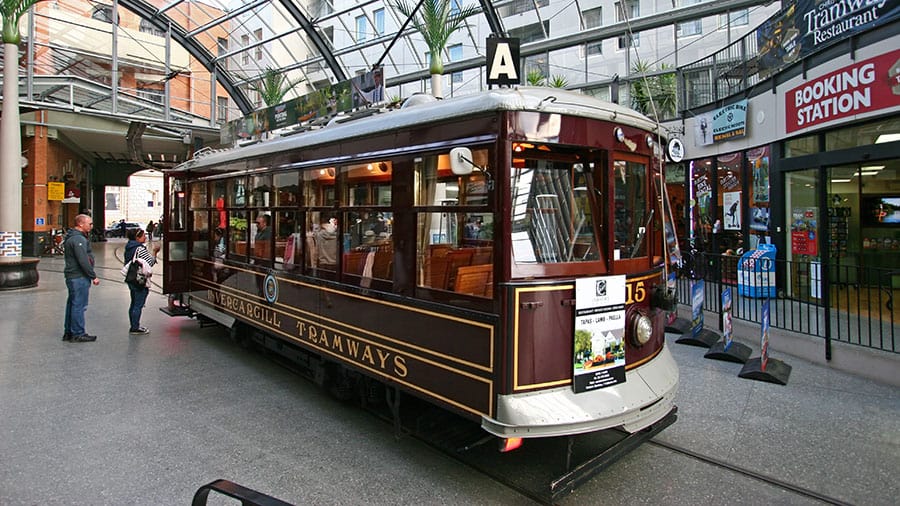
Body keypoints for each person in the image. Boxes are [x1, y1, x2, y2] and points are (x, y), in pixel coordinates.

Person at [63, 214, 101, 343]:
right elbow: (83, 260)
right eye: (89, 224)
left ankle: (69, 331)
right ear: (80, 224)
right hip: (78, 276)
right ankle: (78, 333)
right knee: (79, 305)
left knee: (73, 304)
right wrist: (93, 276)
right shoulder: (78, 239)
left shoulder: (73, 237)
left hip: (73, 276)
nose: (91, 226)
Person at [124, 228, 159, 335]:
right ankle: (135, 327)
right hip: (139, 279)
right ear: (137, 237)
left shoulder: (129, 246)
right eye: (143, 236)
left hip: (131, 278)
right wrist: (155, 252)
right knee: (138, 304)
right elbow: (150, 262)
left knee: (133, 302)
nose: (146, 237)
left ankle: (134, 325)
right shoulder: (139, 249)